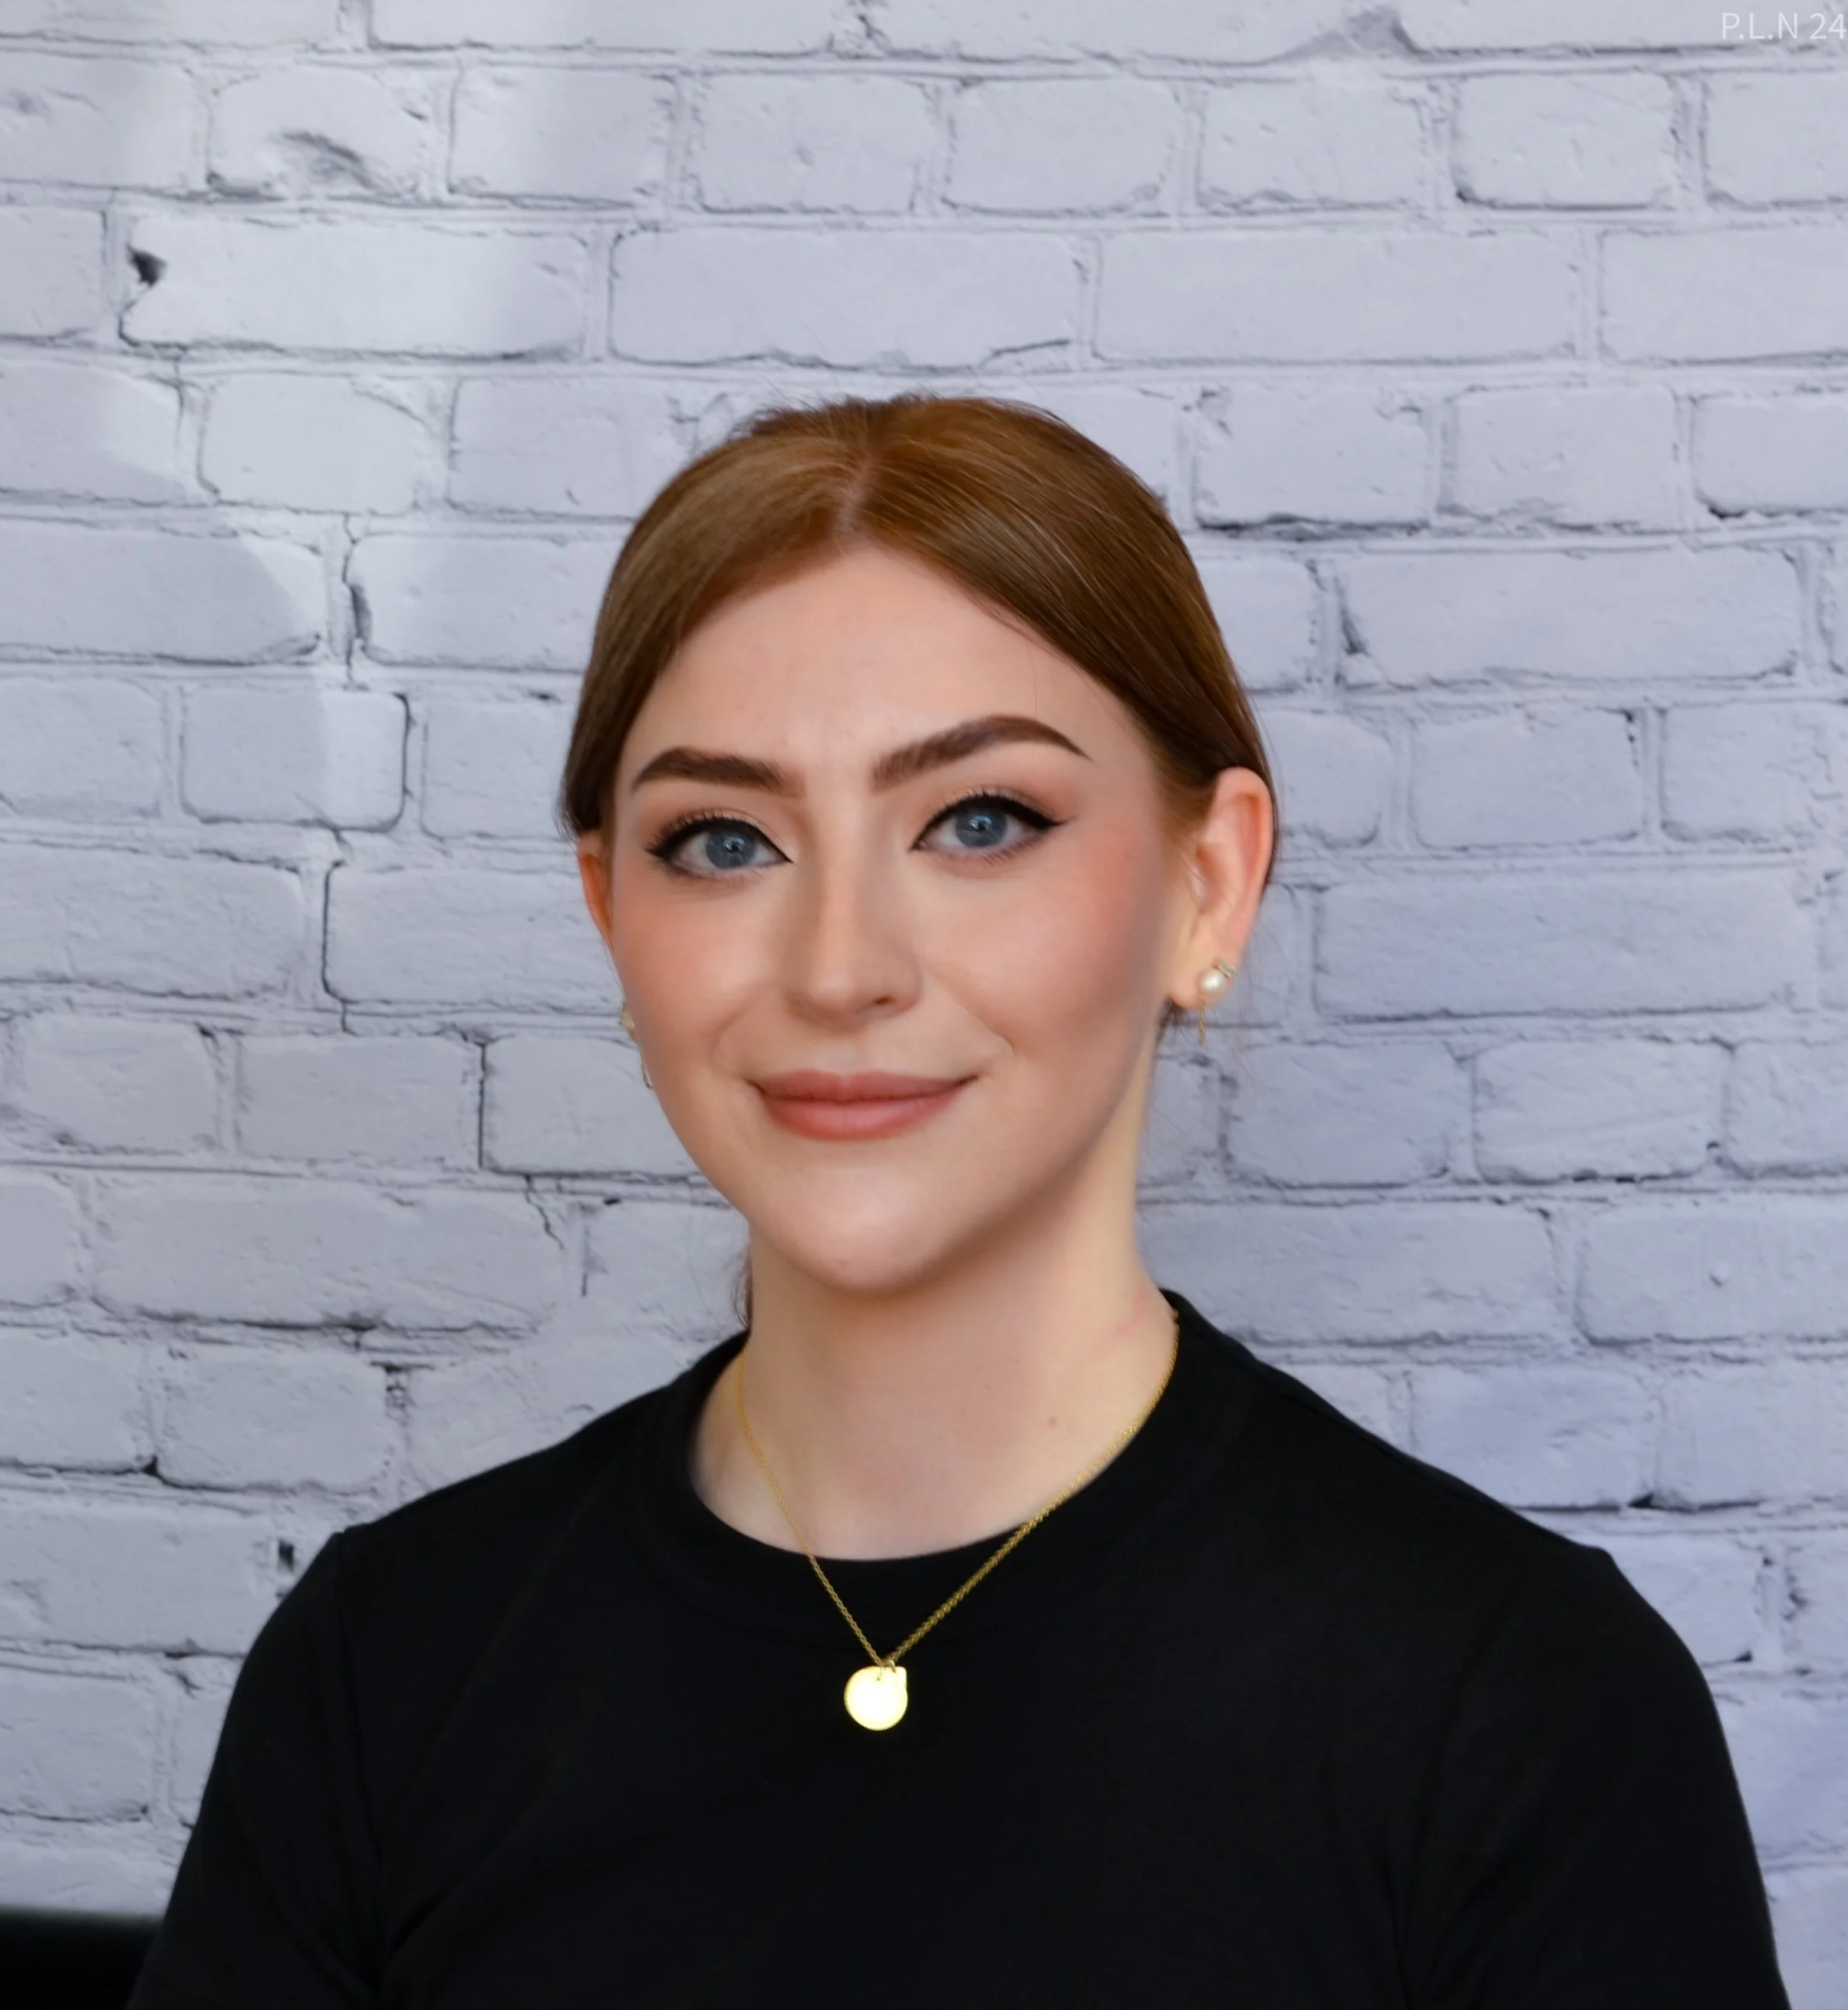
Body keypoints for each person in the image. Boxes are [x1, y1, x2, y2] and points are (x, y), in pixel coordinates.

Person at [129, 396, 1789, 2008]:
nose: (840, 966)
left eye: (977, 820)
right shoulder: (389, 1665)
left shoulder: (1512, 1707)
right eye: (720, 840)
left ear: (1204, 881)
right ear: (606, 906)